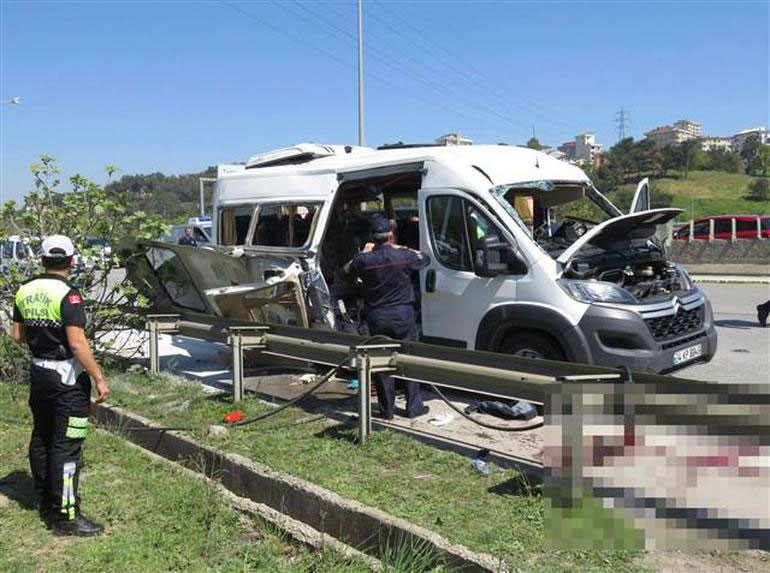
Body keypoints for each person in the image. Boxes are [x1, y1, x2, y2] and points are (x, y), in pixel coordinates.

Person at [10, 235, 110, 537]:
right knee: (69, 444)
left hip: (39, 375)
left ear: (42, 260)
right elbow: (78, 344)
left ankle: (46, 501)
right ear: (71, 261)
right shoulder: (70, 295)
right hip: (67, 379)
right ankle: (66, 516)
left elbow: (17, 336)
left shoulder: (24, 290)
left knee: (42, 436)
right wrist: (99, 378)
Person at [344, 215, 431, 419]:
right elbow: (425, 259)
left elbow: (345, 271)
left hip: (378, 317)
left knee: (382, 364)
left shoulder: (365, 260)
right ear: (390, 235)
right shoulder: (404, 255)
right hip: (403, 315)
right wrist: (401, 248)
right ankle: (413, 407)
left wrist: (364, 253)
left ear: (372, 237)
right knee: (409, 359)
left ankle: (387, 410)